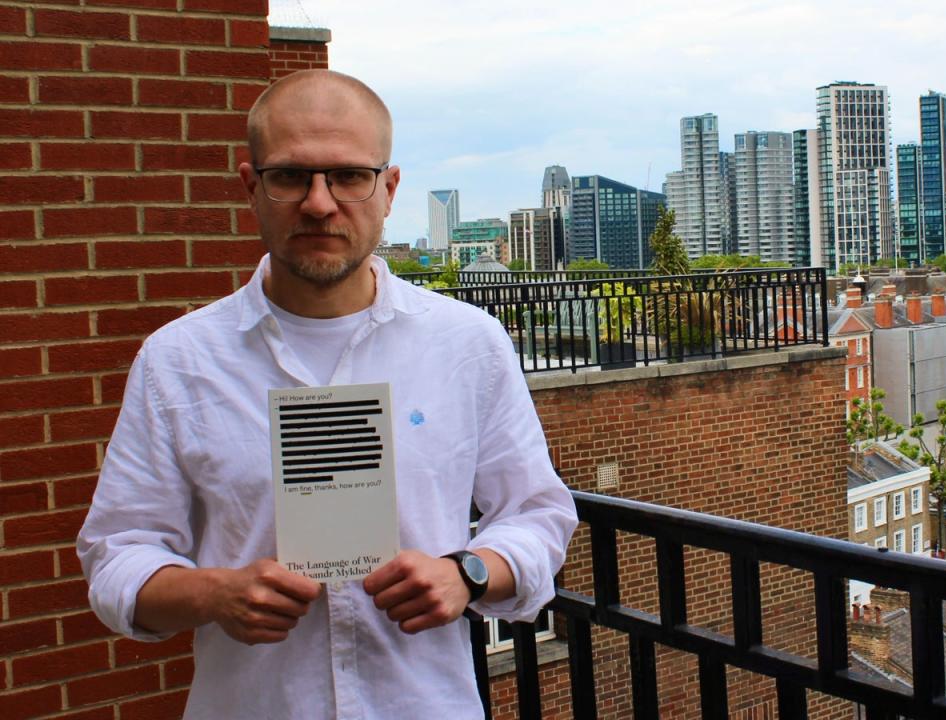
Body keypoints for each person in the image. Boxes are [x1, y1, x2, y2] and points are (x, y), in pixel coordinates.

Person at [77, 69, 577, 720]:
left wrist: (468, 573)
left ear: (389, 188)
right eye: (290, 176)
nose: (319, 202)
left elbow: (539, 518)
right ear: (251, 187)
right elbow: (116, 556)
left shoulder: (468, 345)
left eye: (347, 175)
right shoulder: (179, 362)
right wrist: (214, 593)